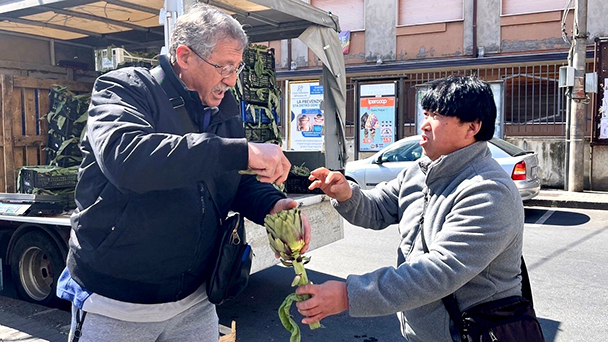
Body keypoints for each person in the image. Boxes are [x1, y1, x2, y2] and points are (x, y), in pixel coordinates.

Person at [56, 4, 311, 342]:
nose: (231, 80)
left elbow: (229, 181)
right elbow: (129, 160)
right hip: (117, 305)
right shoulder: (124, 89)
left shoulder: (223, 109)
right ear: (184, 55)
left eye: (237, 67)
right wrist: (240, 151)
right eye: (223, 66)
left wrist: (272, 206)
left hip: (196, 302)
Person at [297, 75, 525, 342]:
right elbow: (379, 208)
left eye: (437, 116)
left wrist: (349, 294)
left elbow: (438, 271)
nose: (424, 125)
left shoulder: (488, 191)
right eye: (425, 113)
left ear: (472, 127)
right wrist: (347, 193)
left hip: (475, 333)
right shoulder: (419, 171)